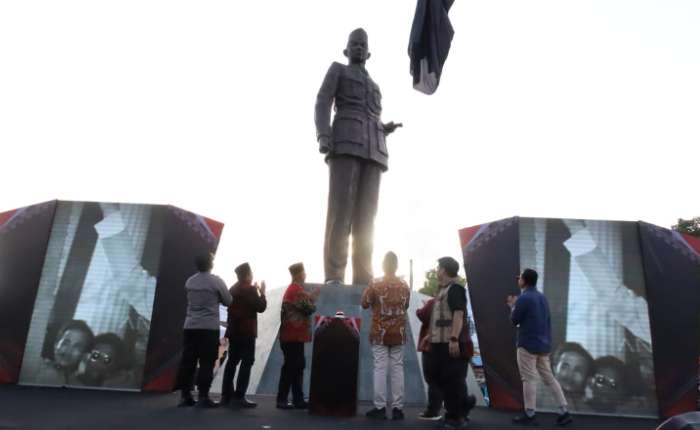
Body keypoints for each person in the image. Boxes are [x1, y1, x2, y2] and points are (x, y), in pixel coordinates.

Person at [315, 28, 401, 286]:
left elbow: (370, 115)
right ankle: (334, 274)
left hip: (375, 149)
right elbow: (322, 102)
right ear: (346, 49)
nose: (359, 48)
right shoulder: (338, 70)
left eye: (363, 45)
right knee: (340, 212)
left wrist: (384, 128)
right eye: (355, 44)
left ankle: (363, 277)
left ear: (369, 52)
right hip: (344, 142)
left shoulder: (375, 85)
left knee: (367, 219)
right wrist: (323, 135)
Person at [507, 268, 572, 426]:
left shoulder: (523, 298)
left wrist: (512, 306)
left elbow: (514, 320)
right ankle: (564, 410)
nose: (518, 280)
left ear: (524, 281)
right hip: (543, 345)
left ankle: (530, 414)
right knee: (549, 378)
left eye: (520, 278)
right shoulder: (542, 298)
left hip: (527, 344)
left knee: (528, 379)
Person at [175, 253, 232, 408]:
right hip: (208, 328)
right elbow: (228, 301)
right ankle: (203, 396)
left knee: (188, 362)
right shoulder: (216, 281)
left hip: (190, 326)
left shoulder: (190, 281)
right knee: (207, 361)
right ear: (210, 264)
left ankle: (185, 396)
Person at [361, 252, 410, 420]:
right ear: (397, 266)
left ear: (383, 265)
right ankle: (397, 409)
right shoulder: (404, 284)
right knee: (397, 368)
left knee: (380, 368)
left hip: (379, 333)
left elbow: (364, 303)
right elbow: (406, 305)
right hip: (398, 333)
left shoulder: (375, 283)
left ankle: (380, 407)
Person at [428, 257, 475, 429]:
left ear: (444, 270)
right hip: (439, 342)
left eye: (438, 267)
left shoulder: (455, 289)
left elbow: (458, 314)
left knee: (452, 380)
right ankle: (461, 409)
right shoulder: (443, 289)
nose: (437, 270)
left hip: (450, 342)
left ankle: (456, 417)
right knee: (446, 379)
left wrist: (454, 339)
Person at [221, 262, 267, 408]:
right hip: (247, 331)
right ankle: (239, 396)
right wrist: (262, 292)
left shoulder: (232, 289)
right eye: (251, 273)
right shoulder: (250, 289)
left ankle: (226, 395)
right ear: (247, 275)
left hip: (234, 331)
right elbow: (261, 307)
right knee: (247, 362)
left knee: (232, 361)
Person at [276, 262, 319, 409]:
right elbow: (309, 308)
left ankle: (297, 399)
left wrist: (310, 298)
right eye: (304, 272)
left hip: (291, 336)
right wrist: (313, 300)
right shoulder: (296, 290)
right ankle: (284, 399)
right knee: (291, 368)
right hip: (293, 335)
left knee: (296, 366)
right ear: (299, 274)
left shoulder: (293, 289)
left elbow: (304, 303)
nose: (305, 274)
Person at [36, 320, 94, 386]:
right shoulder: (36, 366)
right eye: (65, 343)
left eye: (77, 347)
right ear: (56, 344)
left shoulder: (79, 387)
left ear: (83, 354)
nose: (69, 350)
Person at [416, 296, 443, 420]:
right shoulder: (452, 302)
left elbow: (422, 315)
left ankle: (433, 411)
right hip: (445, 345)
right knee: (448, 380)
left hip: (431, 346)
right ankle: (459, 412)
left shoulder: (433, 302)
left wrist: (424, 306)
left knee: (432, 380)